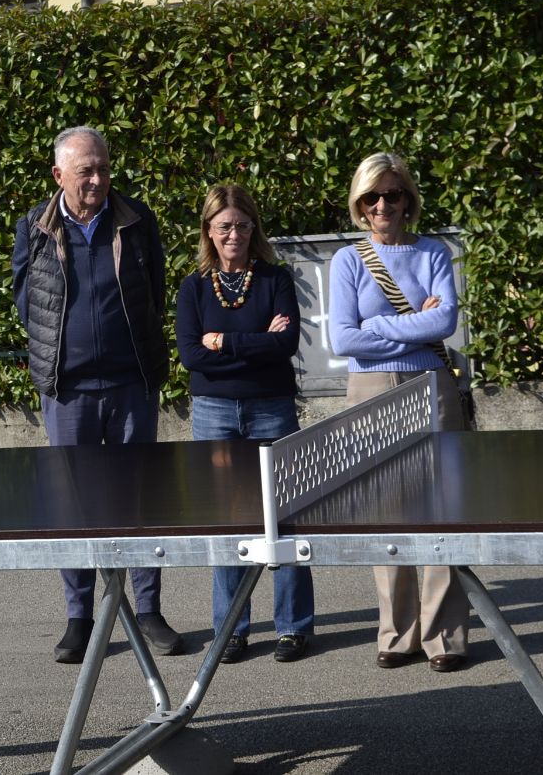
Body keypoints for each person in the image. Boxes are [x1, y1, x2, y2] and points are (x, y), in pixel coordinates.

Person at [11, 125, 181, 663]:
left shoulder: (136, 219)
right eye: (86, 171)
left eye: (104, 168)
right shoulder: (33, 227)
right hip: (69, 389)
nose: (99, 179)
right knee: (74, 504)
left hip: (131, 383)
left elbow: (153, 290)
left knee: (143, 499)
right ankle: (80, 617)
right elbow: (27, 300)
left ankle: (148, 609)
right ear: (59, 175)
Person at [327, 152, 471, 674]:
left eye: (392, 194)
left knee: (441, 510)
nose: (382, 204)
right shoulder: (347, 260)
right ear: (359, 205)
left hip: (432, 386)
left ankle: (445, 637)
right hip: (370, 391)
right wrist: (406, 325)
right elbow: (341, 338)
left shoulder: (433, 252)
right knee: (385, 508)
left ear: (408, 199)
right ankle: (397, 632)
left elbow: (445, 324)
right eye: (371, 197)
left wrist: (377, 328)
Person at [176, 184, 315, 664]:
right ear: (208, 232)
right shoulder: (194, 286)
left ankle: (293, 626)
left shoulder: (275, 278)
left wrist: (224, 343)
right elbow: (191, 356)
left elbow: (287, 344)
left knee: (283, 513)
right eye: (223, 227)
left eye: (241, 225)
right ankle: (232, 627)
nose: (233, 234)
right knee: (226, 520)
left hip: (270, 407)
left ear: (253, 229)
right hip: (214, 412)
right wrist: (254, 341)